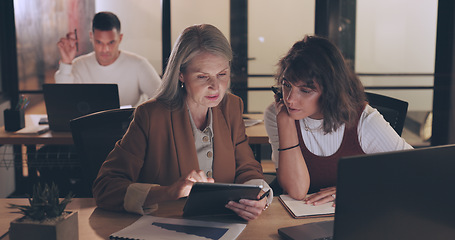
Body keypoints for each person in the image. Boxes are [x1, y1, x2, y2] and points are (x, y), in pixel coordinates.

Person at [93, 24, 272, 221]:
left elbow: (247, 168)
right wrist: (168, 192)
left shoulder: (232, 107)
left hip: (227, 223)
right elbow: (105, 187)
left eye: (222, 74)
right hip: (168, 225)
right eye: (203, 76)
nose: (216, 87)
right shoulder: (151, 115)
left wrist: (258, 196)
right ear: (181, 74)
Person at [264, 35, 412, 206]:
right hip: (300, 214)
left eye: (305, 90)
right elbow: (296, 191)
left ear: (330, 92)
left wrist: (353, 188)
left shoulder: (364, 119)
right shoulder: (277, 114)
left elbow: (414, 168)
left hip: (356, 212)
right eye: (287, 85)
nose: (290, 99)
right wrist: (286, 123)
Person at [55, 11, 161, 107]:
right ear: (91, 37)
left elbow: (164, 100)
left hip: (130, 126)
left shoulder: (139, 64)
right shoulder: (79, 65)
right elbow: (63, 100)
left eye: (111, 42)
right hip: (90, 126)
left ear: (120, 38)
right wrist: (66, 62)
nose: (105, 49)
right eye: (99, 42)